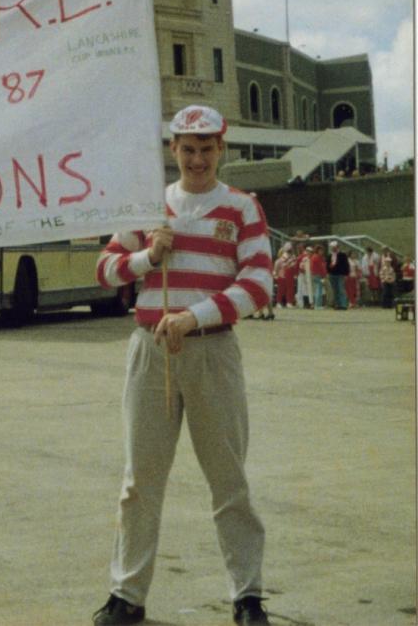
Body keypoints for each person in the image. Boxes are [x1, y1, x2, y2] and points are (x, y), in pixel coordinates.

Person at [93, 105, 272, 626]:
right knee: (139, 480)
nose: (197, 159)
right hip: (150, 351)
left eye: (206, 149)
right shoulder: (148, 206)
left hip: (211, 349)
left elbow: (258, 283)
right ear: (173, 151)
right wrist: (148, 258)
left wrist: (193, 317)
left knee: (228, 479)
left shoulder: (242, 207)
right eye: (187, 149)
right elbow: (104, 269)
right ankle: (127, 594)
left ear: (222, 149)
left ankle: (248, 594)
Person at [327, 241, 350, 310]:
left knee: (341, 289)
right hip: (332, 275)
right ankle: (337, 304)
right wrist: (328, 271)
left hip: (340, 274)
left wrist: (346, 274)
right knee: (335, 290)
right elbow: (327, 265)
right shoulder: (329, 255)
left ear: (337, 247)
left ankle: (343, 305)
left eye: (334, 247)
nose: (333, 248)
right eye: (332, 247)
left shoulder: (342, 255)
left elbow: (346, 265)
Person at [308, 244, 327, 309]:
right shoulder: (317, 257)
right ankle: (317, 305)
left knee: (318, 289)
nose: (322, 252)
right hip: (318, 275)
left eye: (322, 250)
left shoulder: (315, 257)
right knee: (319, 290)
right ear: (317, 250)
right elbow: (321, 267)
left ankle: (318, 304)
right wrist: (324, 276)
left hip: (315, 274)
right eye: (320, 250)